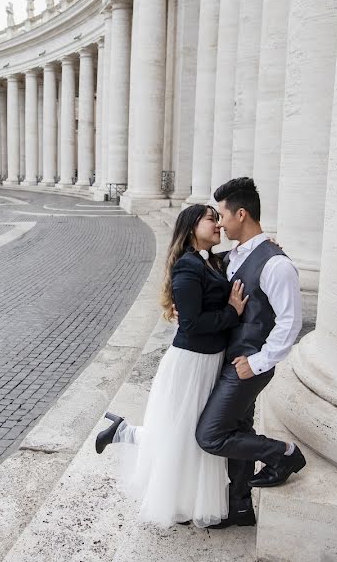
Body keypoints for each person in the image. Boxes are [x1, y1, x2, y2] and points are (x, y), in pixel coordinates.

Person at [96, 204, 247, 528]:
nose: (218, 224)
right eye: (211, 219)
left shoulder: (213, 261)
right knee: (183, 435)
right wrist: (231, 313)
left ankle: (123, 433)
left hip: (208, 361)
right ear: (193, 226)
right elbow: (191, 323)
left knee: (189, 434)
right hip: (190, 363)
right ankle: (177, 499)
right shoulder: (187, 268)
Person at [194, 177, 305, 529]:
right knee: (238, 427)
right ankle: (240, 506)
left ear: (241, 214)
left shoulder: (276, 265)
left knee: (210, 435)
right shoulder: (233, 256)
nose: (220, 223)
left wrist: (257, 363)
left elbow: (290, 322)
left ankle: (283, 454)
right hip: (229, 359)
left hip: (247, 365)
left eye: (223, 216)